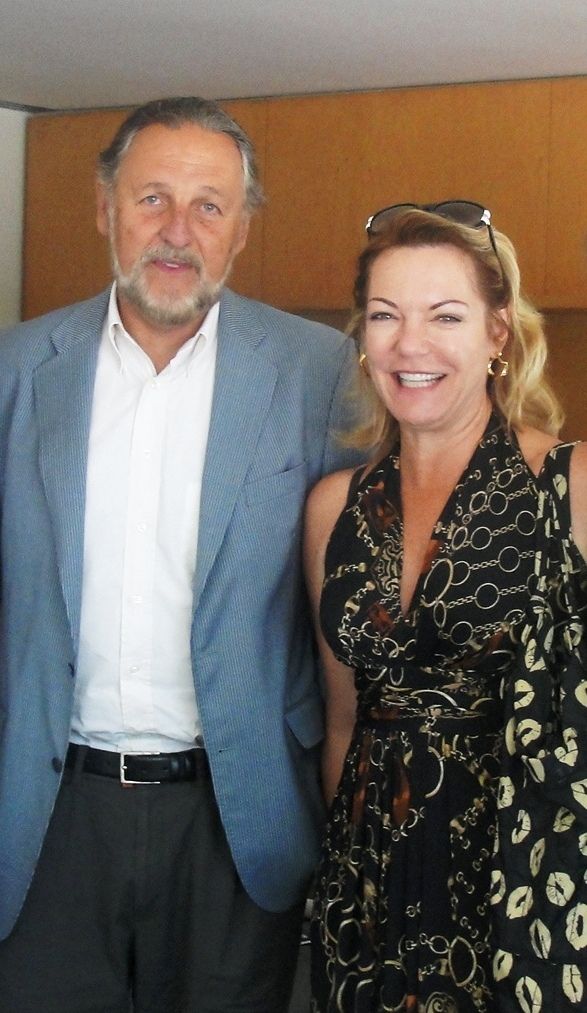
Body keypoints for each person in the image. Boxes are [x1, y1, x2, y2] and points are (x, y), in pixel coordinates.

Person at [0, 96, 361, 1013]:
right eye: (151, 198)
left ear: (241, 229)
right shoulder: (16, 369)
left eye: (209, 205)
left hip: (238, 816)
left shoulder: (321, 372)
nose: (177, 231)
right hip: (47, 810)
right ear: (104, 208)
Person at [303, 201, 587, 1011]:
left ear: (497, 331)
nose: (410, 343)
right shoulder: (332, 506)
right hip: (367, 884)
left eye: (444, 315)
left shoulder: (568, 485)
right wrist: (346, 880)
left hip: (525, 878)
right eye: (384, 315)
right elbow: (342, 724)